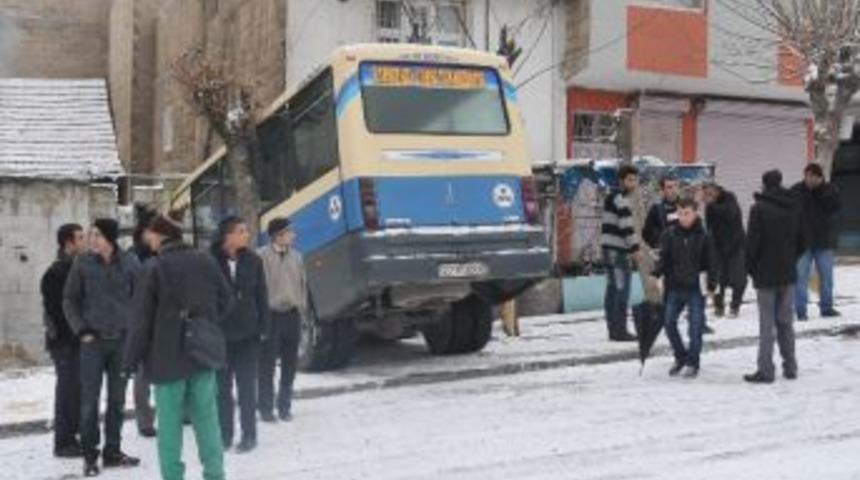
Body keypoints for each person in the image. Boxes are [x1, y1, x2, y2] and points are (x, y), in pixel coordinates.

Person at [124, 211, 231, 480]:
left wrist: (129, 360)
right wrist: (205, 322)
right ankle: (215, 474)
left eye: (150, 231)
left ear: (160, 235)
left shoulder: (153, 267)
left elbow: (141, 321)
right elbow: (227, 300)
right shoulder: (205, 260)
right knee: (207, 421)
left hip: (165, 360)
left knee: (169, 429)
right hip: (202, 354)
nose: (147, 236)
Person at [63, 219, 142, 476]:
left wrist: (133, 330)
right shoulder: (82, 262)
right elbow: (70, 299)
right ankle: (89, 454)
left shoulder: (130, 262)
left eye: (97, 235)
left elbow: (142, 299)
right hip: (92, 344)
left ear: (110, 237)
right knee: (89, 402)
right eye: (91, 234)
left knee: (117, 401)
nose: (92, 239)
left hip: (121, 342)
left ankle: (112, 451)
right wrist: (81, 329)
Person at [211, 216, 270, 453]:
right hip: (221, 336)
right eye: (242, 230)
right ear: (228, 236)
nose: (247, 234)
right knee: (222, 390)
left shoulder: (254, 261)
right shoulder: (211, 261)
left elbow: (261, 297)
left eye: (247, 230)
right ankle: (225, 435)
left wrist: (264, 328)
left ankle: (249, 435)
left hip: (248, 335)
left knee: (247, 388)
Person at [744, 170, 805, 384]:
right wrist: (790, 260)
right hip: (787, 273)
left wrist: (751, 269)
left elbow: (752, 245)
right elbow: (802, 242)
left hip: (765, 274)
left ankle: (766, 370)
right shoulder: (794, 207)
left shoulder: (758, 209)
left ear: (764, 185)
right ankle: (791, 367)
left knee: (766, 324)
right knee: (786, 322)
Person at [653, 198, 718, 378]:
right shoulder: (669, 234)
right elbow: (663, 259)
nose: (683, 217)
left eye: (687, 213)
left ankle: (692, 362)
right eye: (680, 213)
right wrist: (656, 273)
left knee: (695, 327)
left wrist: (712, 285)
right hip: (674, 286)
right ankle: (680, 356)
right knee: (668, 323)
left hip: (696, 288)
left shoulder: (704, 236)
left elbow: (712, 262)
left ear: (695, 213)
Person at [41, 223, 86, 458]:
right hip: (64, 344)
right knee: (67, 392)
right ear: (68, 242)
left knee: (76, 392)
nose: (85, 241)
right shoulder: (56, 272)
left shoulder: (77, 268)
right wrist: (68, 337)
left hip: (77, 342)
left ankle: (72, 437)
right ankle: (63, 442)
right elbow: (54, 313)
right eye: (80, 237)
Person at [257, 218, 307, 423]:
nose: (293, 235)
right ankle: (266, 408)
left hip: (292, 315)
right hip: (271, 316)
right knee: (266, 365)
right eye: (289, 232)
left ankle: (284, 406)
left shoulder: (297, 257)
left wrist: (301, 308)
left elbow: (303, 284)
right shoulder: (261, 256)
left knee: (290, 363)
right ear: (277, 235)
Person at [791, 163, 843, 320]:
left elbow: (835, 208)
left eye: (813, 176)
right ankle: (801, 310)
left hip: (824, 242)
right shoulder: (796, 191)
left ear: (820, 177)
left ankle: (826, 307)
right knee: (800, 277)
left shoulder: (830, 190)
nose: (809, 179)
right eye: (807, 176)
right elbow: (788, 211)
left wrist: (820, 191)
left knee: (826, 277)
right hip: (802, 242)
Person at [601, 164, 641, 342]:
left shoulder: (612, 196)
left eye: (635, 180)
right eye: (630, 180)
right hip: (618, 252)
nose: (633, 183)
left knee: (612, 290)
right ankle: (620, 331)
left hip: (608, 250)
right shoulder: (621, 199)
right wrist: (635, 249)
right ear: (621, 181)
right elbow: (626, 227)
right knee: (621, 291)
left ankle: (613, 330)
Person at [130, 204, 158, 438]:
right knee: (142, 375)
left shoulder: (162, 254)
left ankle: (181, 412)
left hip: (163, 319)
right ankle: (145, 420)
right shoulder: (133, 258)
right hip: (140, 321)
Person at [703, 182, 747, 318]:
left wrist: (711, 205)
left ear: (717, 190)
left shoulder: (729, 198)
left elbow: (730, 213)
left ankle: (735, 306)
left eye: (710, 193)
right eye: (706, 194)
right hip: (718, 246)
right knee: (717, 278)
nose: (708, 196)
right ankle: (719, 307)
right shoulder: (709, 205)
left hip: (736, 245)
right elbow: (709, 225)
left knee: (739, 278)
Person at [642, 175, 680, 250]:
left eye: (675, 186)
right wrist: (661, 242)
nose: (674, 190)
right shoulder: (656, 209)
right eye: (669, 187)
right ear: (662, 191)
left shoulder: (685, 207)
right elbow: (647, 234)